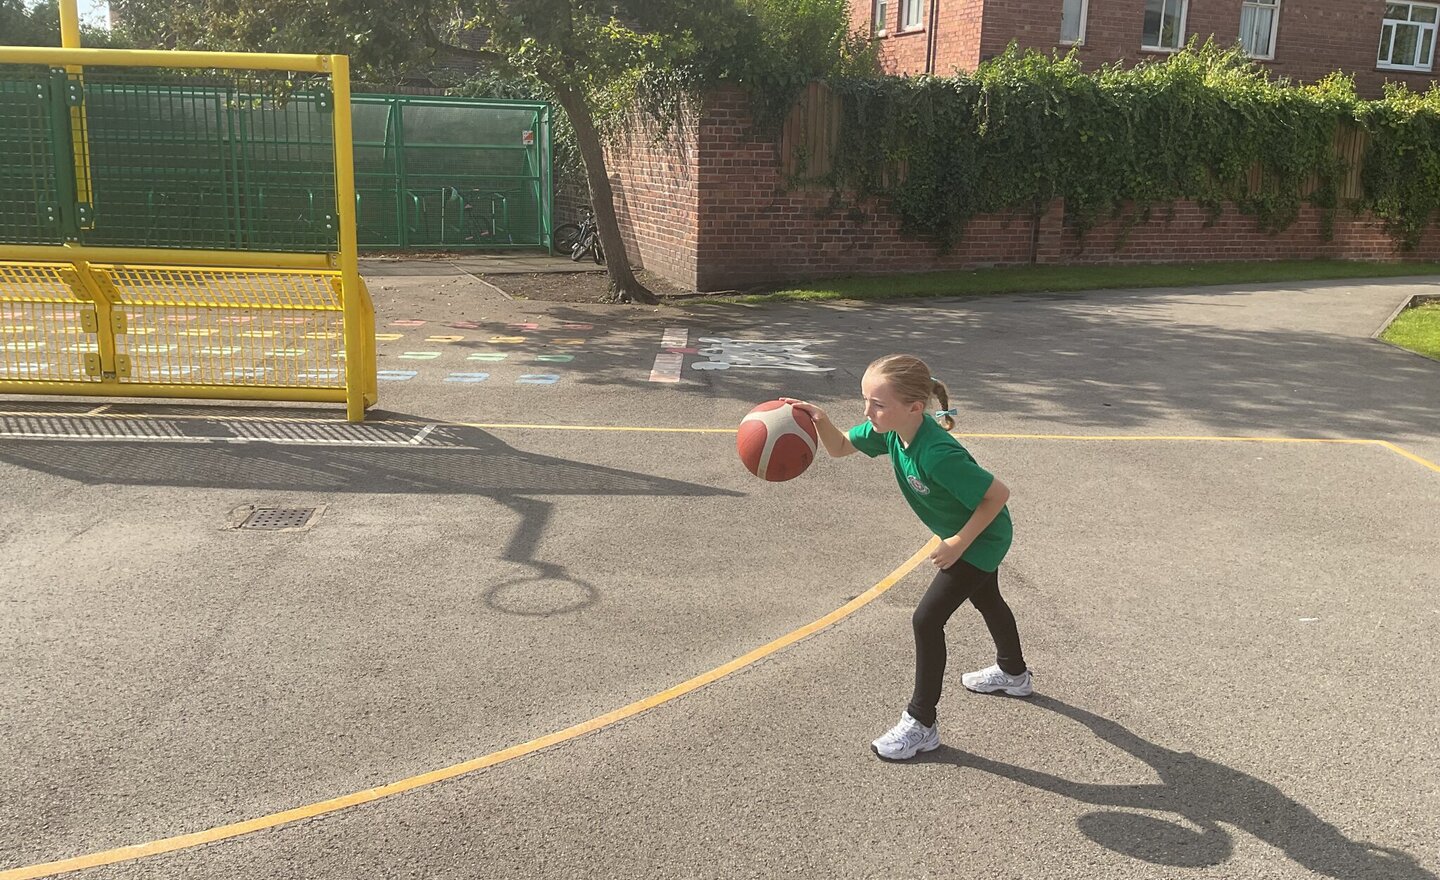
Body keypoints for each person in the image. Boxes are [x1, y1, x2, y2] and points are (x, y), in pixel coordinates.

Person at [783, 354, 1032, 761]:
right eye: (866, 400)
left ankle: (922, 723)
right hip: (969, 536)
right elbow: (841, 447)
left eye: (877, 404)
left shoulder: (937, 454)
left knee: (926, 619)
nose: (868, 411)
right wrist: (820, 420)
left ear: (914, 407)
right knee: (987, 599)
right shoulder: (892, 432)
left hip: (982, 538)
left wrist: (957, 542)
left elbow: (997, 496)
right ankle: (1014, 673)